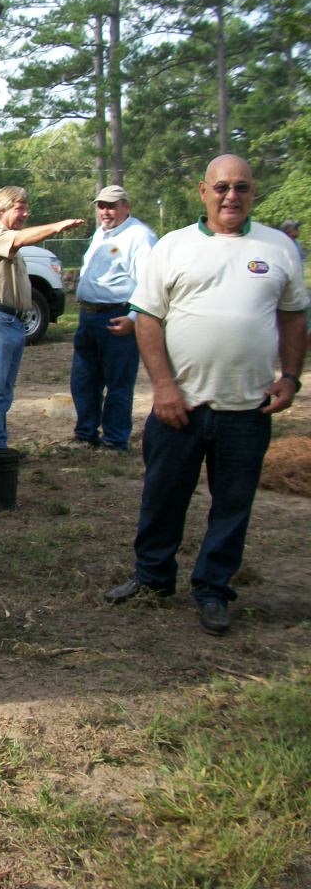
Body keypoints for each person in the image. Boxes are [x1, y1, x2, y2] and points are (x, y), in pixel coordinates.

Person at [105, 155, 307, 636]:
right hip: (182, 406)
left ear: (254, 191)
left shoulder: (278, 248)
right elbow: (148, 319)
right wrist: (165, 388)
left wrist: (292, 378)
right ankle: (152, 578)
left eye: (241, 188)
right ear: (203, 191)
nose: (231, 196)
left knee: (232, 505)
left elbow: (295, 316)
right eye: (221, 188)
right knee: (162, 496)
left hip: (248, 407)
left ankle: (214, 589)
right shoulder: (174, 247)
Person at [0, 188, 86, 449]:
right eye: (19, 208)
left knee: (3, 390)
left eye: (26, 207)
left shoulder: (6, 238)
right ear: (1, 210)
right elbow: (22, 238)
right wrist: (57, 227)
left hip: (10, 321)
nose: (26, 213)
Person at [69, 185, 158, 451]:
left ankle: (115, 440)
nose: (105, 211)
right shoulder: (101, 234)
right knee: (84, 380)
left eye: (112, 205)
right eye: (101, 206)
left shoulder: (140, 236)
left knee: (118, 383)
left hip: (117, 317)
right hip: (88, 317)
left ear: (126, 206)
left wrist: (133, 317)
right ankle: (86, 434)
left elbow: (150, 283)